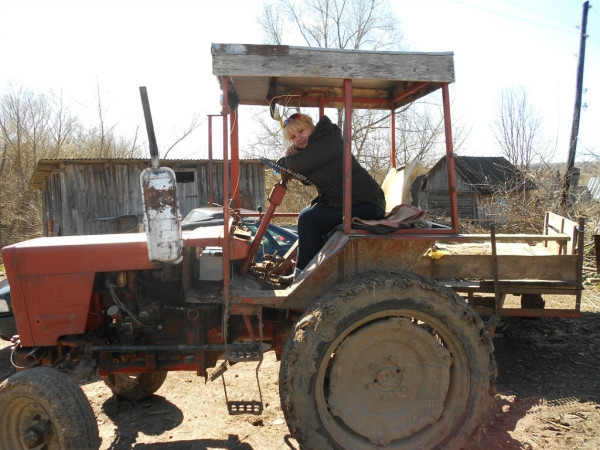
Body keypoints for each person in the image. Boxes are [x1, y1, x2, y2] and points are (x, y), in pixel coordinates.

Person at [277, 112, 386, 277]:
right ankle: (307, 270)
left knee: (308, 219)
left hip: (366, 203)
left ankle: (303, 276)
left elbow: (298, 164)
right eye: (293, 137)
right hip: (348, 202)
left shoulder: (328, 140)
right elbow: (304, 176)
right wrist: (290, 159)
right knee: (307, 213)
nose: (298, 138)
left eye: (301, 131)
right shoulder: (314, 149)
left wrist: (288, 162)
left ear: (311, 127)